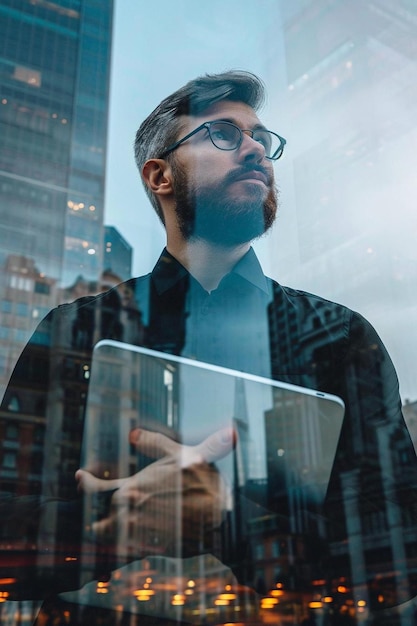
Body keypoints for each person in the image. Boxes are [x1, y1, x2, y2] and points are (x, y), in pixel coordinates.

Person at [1, 71, 416, 625]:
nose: (254, 150)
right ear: (160, 176)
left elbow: (402, 546)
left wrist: (225, 516)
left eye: (261, 140)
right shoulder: (77, 328)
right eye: (223, 133)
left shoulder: (342, 336)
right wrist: (117, 522)